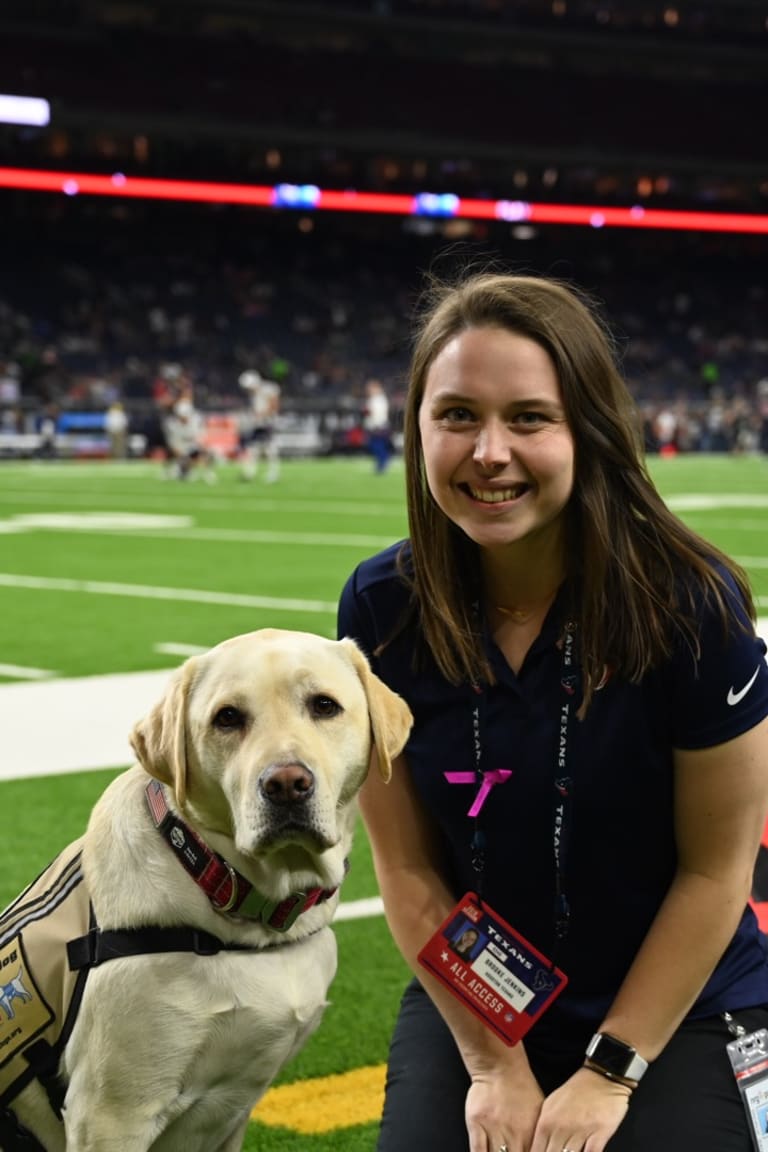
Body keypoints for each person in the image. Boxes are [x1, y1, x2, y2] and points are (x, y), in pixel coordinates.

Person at [337, 271, 768, 1152]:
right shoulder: (382, 608)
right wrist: (496, 1064)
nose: (489, 451)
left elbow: (716, 874)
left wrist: (610, 1075)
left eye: (529, 417)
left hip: (678, 999)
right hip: (483, 991)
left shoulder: (692, 605)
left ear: (589, 431)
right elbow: (411, 871)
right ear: (418, 429)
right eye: (457, 415)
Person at [238, 369, 281, 483]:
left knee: (268, 449)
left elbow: (274, 405)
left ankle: (272, 473)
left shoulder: (268, 389)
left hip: (267, 422)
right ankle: (250, 472)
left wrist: (262, 415)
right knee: (254, 448)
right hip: (258, 423)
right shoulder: (254, 394)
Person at [363, 378, 393, 473]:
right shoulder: (374, 399)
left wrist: (376, 424)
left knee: (378, 446)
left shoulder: (379, 399)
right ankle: (381, 463)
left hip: (379, 426)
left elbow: (379, 414)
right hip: (375, 426)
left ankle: (382, 464)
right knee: (375, 445)